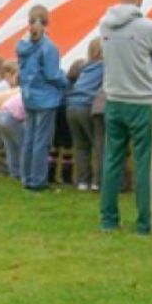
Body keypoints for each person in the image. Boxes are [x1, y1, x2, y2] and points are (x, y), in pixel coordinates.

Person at [99, 0, 152, 234]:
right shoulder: (148, 27)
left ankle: (108, 218)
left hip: (115, 98)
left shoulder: (105, 24)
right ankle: (145, 222)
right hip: (141, 100)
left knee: (112, 160)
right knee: (143, 162)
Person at [17, 5, 69, 191]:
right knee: (42, 141)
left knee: (29, 138)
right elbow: (52, 74)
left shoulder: (22, 46)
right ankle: (38, 180)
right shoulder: (48, 48)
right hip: (46, 98)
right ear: (48, 23)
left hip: (29, 95)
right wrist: (66, 82)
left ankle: (27, 177)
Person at [65, 38, 104, 192]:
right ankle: (98, 181)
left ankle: (83, 181)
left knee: (81, 146)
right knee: (99, 145)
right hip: (88, 106)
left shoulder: (84, 67)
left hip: (72, 106)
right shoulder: (104, 67)